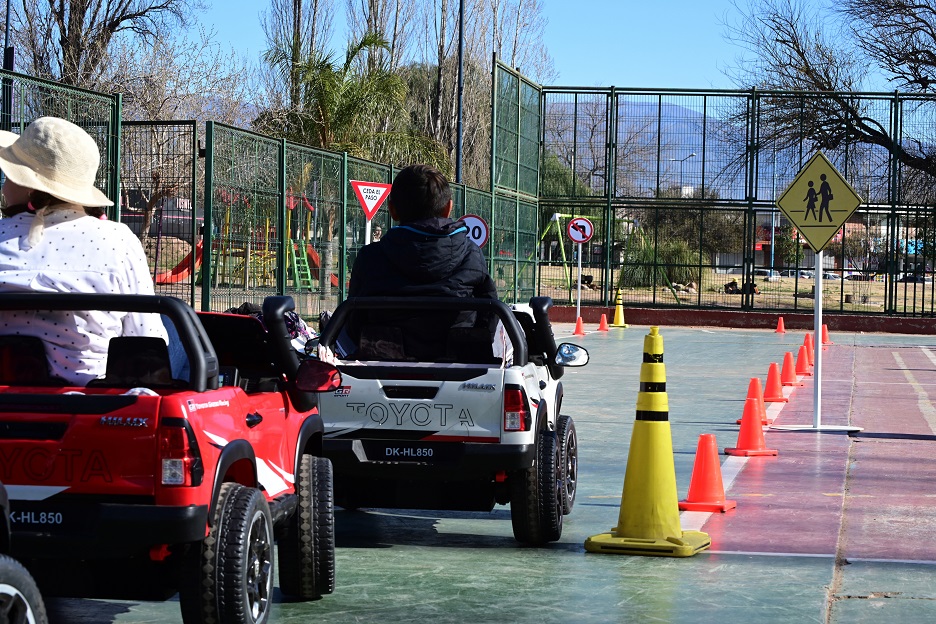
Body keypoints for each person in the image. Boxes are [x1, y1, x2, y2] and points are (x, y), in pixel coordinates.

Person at [0, 116, 167, 385]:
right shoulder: (117, 240)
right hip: (88, 401)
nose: (4, 186)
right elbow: (147, 339)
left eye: (9, 174)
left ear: (31, 187)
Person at [344, 164, 503, 362]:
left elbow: (354, 324)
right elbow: (488, 319)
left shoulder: (369, 257)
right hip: (458, 368)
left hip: (383, 365)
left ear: (392, 210)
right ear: (448, 208)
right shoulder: (472, 254)